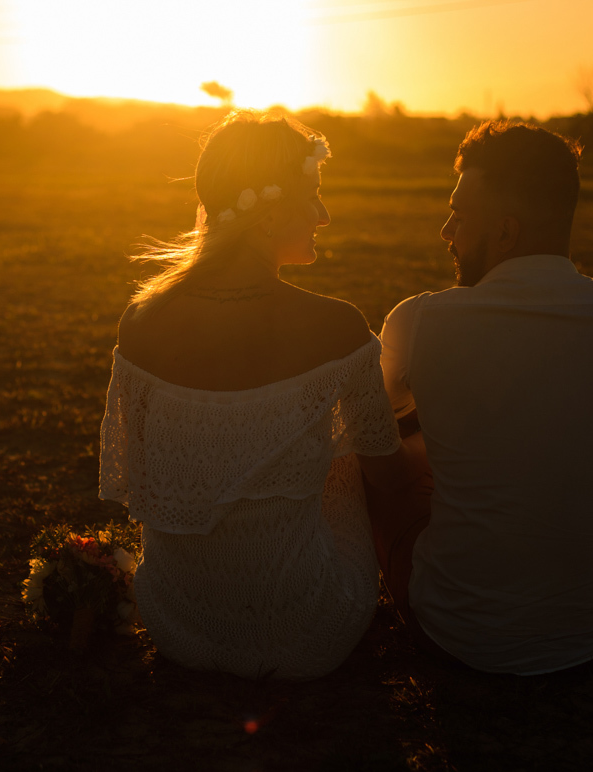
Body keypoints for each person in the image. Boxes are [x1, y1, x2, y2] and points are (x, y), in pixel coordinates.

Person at [98, 111, 417, 679]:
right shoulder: (337, 328)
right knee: (348, 455)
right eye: (313, 195)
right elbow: (389, 479)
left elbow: (146, 476)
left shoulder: (141, 320)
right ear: (268, 213)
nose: (324, 215)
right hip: (308, 629)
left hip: (175, 622)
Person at [368, 121, 593, 675]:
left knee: (369, 448)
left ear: (506, 233)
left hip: (455, 631)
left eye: (459, 215)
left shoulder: (420, 322)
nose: (446, 230)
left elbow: (382, 433)